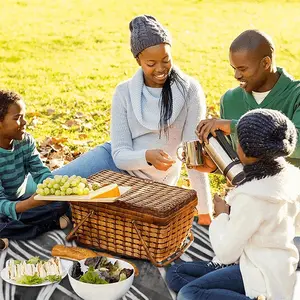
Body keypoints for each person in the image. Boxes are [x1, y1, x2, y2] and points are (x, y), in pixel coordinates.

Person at [52, 15, 213, 224]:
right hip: (112, 163)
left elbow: (193, 157)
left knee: (78, 210)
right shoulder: (125, 92)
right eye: (151, 63)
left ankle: (59, 217)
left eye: (166, 60)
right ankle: (11, 211)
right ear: (138, 60)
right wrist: (146, 156)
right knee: (49, 189)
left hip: (149, 186)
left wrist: (205, 212)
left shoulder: (190, 91)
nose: (160, 69)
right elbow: (119, 155)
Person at [166, 108, 300, 300]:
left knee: (189, 293)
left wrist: (222, 215)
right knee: (176, 274)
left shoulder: (251, 197)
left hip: (260, 275)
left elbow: (225, 252)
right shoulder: (292, 177)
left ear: (244, 150)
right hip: (276, 268)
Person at [195, 29, 300, 173]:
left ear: (265, 63)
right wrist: (215, 167)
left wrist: (235, 127)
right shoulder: (230, 99)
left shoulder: (296, 94)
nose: (236, 75)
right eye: (234, 68)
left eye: (242, 69)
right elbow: (238, 162)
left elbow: (297, 144)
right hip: (249, 191)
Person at [0, 90, 70, 250]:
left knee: (64, 203)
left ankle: (10, 232)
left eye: (23, 116)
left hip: (20, 200)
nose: (24, 122)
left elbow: (40, 172)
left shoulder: (25, 141)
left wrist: (54, 190)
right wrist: (29, 205)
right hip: (5, 207)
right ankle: (47, 223)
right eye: (17, 118)